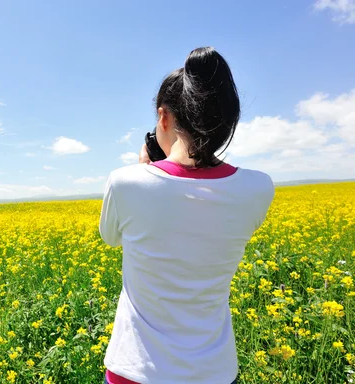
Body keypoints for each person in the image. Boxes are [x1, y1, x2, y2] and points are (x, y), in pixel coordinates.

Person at [99, 47, 274, 384]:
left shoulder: (126, 183)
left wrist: (144, 171)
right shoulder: (258, 188)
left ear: (164, 118)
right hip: (215, 372)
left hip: (136, 371)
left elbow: (111, 237)